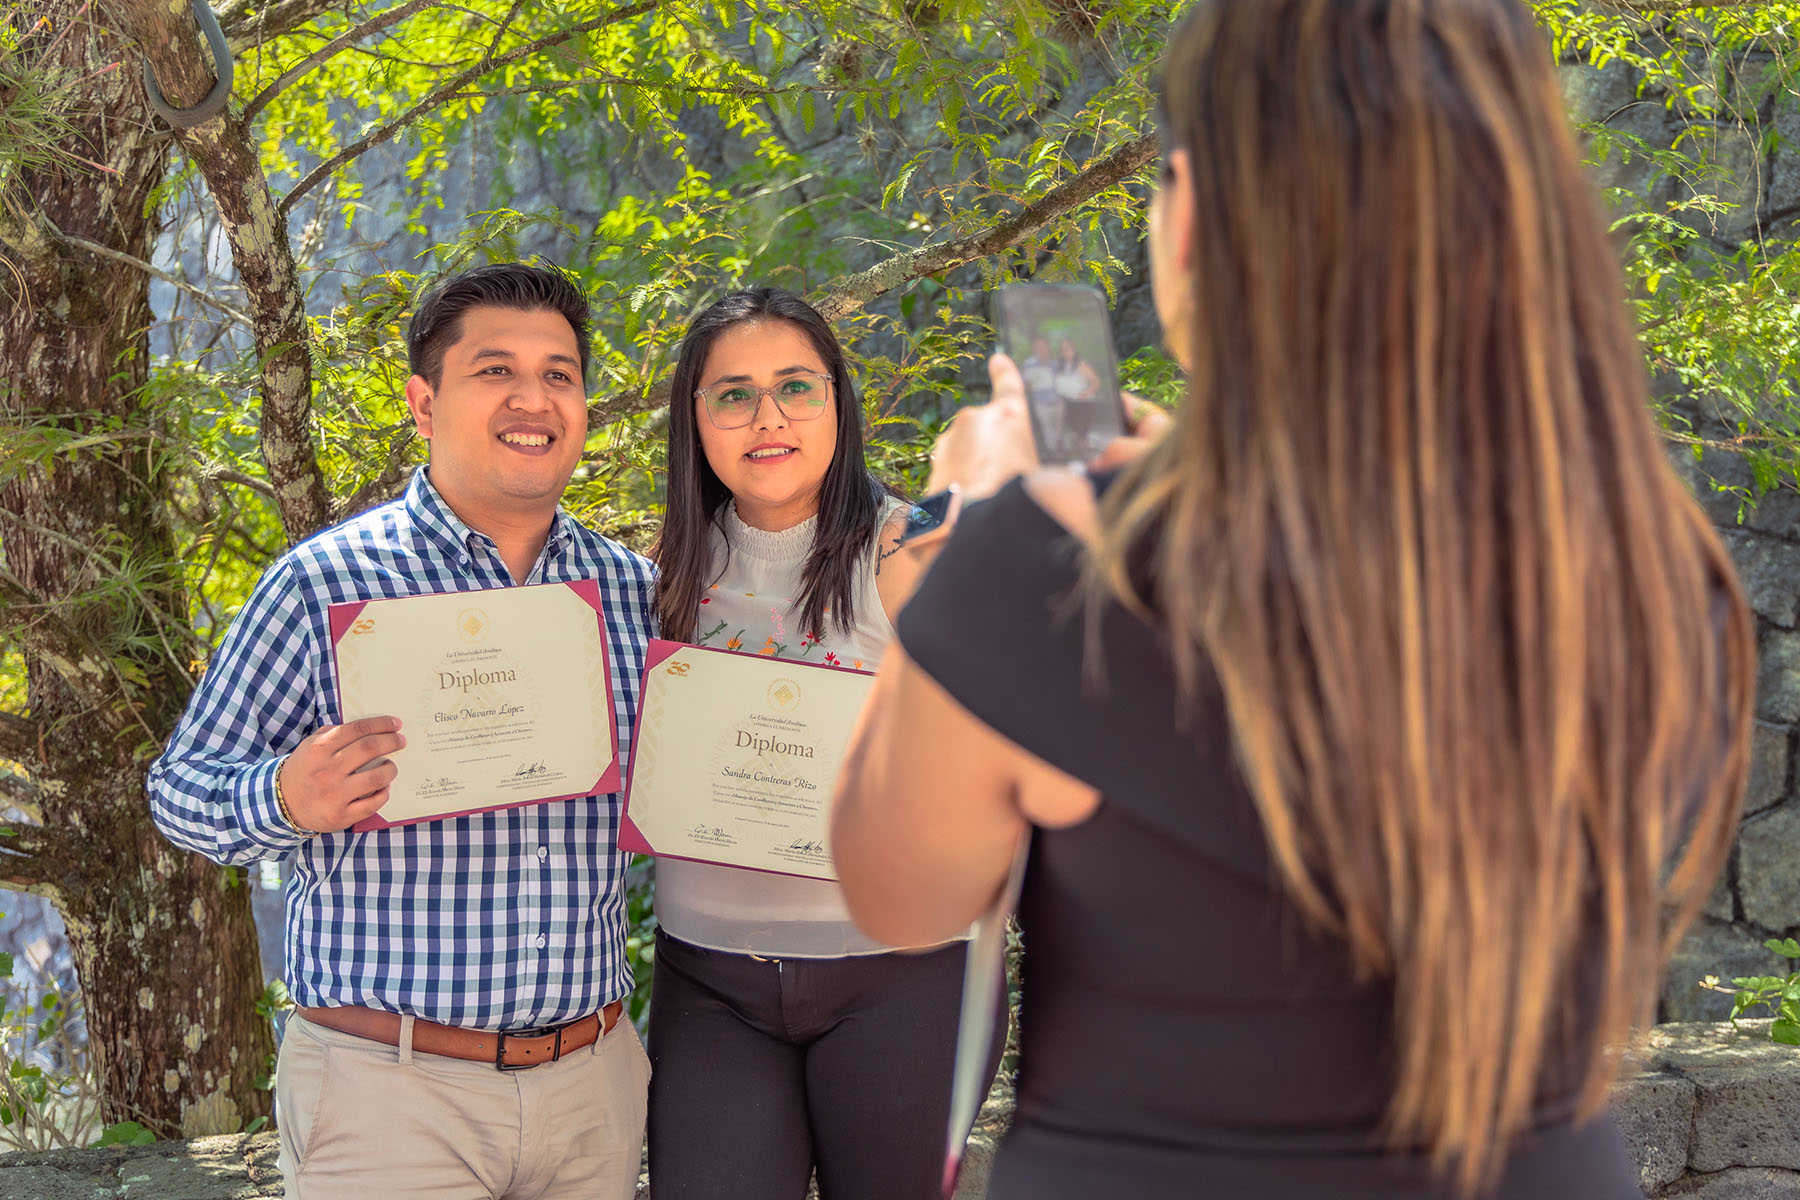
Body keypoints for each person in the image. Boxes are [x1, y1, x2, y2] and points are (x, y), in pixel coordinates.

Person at [831, 2, 1754, 1198]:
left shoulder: (1050, 571)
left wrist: (975, 530)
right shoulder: (1644, 560)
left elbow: (895, 894)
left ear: (1197, 211)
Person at [148, 262, 656, 1200]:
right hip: (386, 1093)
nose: (531, 398)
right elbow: (179, 791)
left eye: (559, 373)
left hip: (593, 1086)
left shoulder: (631, 592)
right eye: (494, 370)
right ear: (424, 404)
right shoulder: (323, 583)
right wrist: (283, 797)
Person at [644, 286, 1001, 1199]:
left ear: (838, 401)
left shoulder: (917, 552)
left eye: (796, 387)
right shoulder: (661, 576)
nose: (767, 417)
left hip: (906, 981)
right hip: (711, 985)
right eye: (733, 394)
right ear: (695, 420)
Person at [1019, 332, 1065, 458]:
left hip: (1058, 402)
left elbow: (1063, 382)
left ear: (1048, 347)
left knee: (1057, 429)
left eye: (1044, 346)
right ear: (1034, 348)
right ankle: (1054, 454)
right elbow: (1023, 383)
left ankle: (1056, 452)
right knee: (1048, 430)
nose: (1041, 349)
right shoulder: (1029, 365)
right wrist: (1028, 384)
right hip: (1041, 403)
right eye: (1038, 346)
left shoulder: (1055, 364)